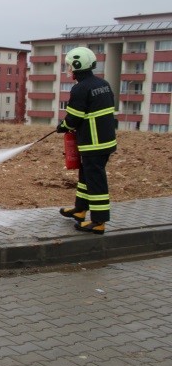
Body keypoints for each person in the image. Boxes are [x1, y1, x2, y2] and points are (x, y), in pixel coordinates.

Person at [56, 46, 117, 235]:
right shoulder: (103, 84)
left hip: (94, 143)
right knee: (86, 177)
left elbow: (73, 118)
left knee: (96, 181)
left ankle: (98, 222)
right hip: (104, 141)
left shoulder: (80, 88)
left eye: (69, 66)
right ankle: (80, 210)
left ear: (77, 65)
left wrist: (62, 126)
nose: (68, 69)